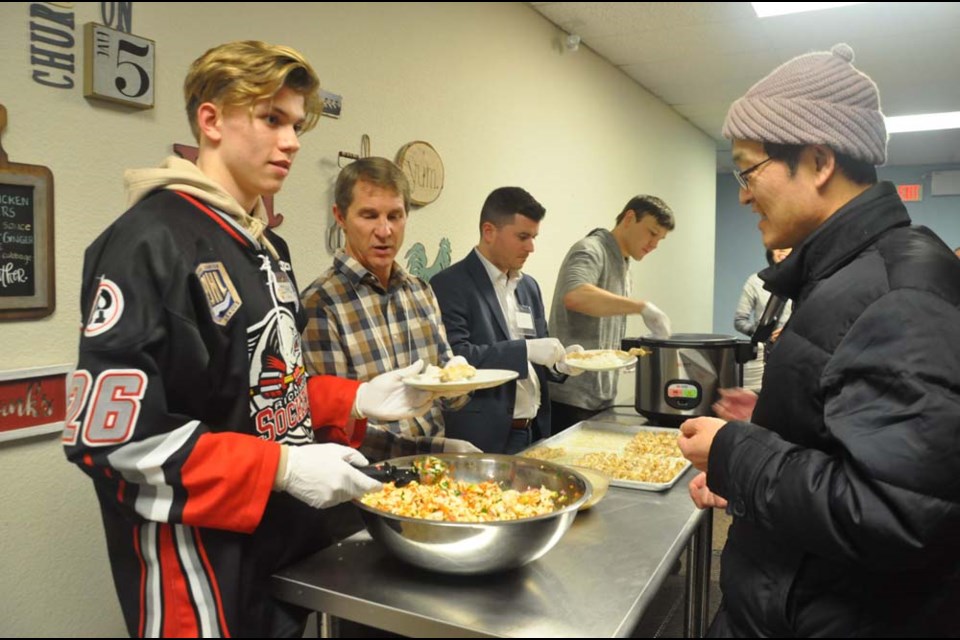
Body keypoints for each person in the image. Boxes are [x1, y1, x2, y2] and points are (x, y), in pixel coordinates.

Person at [62, 41, 437, 637]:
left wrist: (356, 401)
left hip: (278, 552)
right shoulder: (148, 242)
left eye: (294, 124)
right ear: (210, 120)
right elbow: (111, 444)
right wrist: (281, 468)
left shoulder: (265, 248)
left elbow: (265, 387)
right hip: (198, 570)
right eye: (271, 119)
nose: (291, 141)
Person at [677, 43, 960, 636]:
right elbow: (863, 441)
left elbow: (896, 514)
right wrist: (785, 419)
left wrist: (737, 454)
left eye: (748, 171)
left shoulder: (897, 292)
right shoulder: (849, 275)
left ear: (819, 160)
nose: (743, 194)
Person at [301, 157, 479, 459]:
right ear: (340, 217)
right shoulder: (320, 304)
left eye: (395, 216)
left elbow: (451, 399)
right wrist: (432, 450)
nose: (384, 231)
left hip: (432, 475)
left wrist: (459, 379)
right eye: (369, 216)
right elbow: (335, 429)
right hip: (368, 482)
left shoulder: (420, 292)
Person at [431, 187, 582, 453]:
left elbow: (538, 357)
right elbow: (457, 357)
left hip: (535, 429)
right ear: (489, 231)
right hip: (486, 437)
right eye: (523, 236)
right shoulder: (450, 284)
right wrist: (525, 350)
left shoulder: (529, 287)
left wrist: (562, 363)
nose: (531, 247)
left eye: (534, 237)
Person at [548, 195, 675, 431]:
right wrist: (640, 307)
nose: (654, 244)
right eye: (652, 232)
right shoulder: (591, 249)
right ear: (629, 218)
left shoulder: (624, 264)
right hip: (569, 398)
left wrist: (622, 355)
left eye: (660, 239)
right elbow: (574, 296)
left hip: (602, 397)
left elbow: (603, 316)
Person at [734, 248, 792, 391]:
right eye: (778, 248)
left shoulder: (808, 281)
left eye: (787, 247)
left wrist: (789, 332)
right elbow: (740, 320)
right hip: (764, 355)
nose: (782, 251)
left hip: (794, 353)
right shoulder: (756, 281)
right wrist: (764, 334)